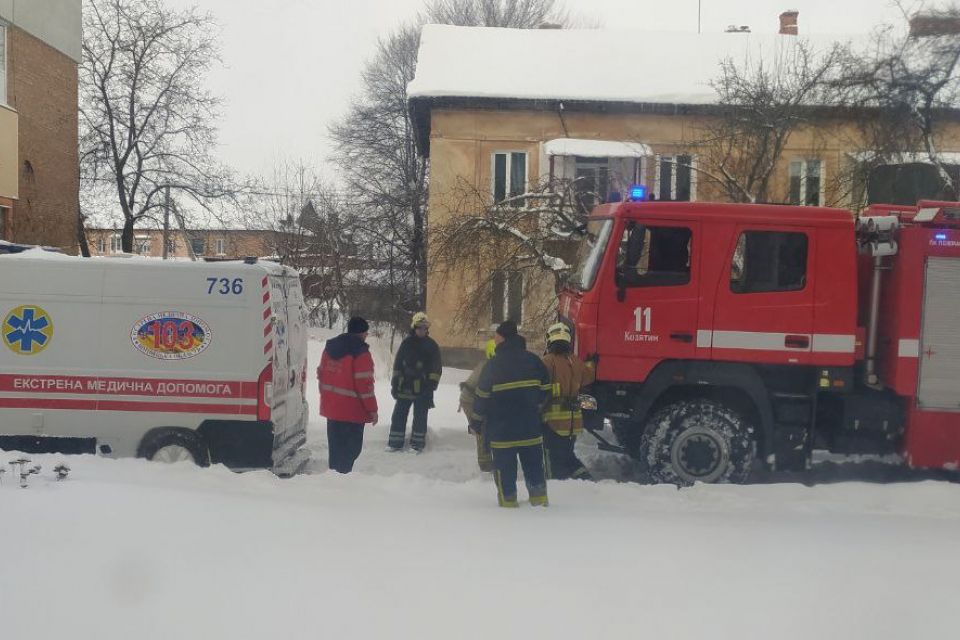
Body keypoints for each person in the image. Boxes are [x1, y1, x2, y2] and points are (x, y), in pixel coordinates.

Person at [475, 321, 551, 508]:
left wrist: (476, 421)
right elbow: (547, 389)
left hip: (502, 432)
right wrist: (536, 407)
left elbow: (481, 396)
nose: (494, 338)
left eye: (496, 335)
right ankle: (539, 503)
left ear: (502, 337)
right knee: (534, 468)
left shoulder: (493, 365)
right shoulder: (534, 360)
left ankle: (508, 506)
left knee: (505, 471)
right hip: (530, 429)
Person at [318, 316, 378, 474]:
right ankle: (342, 482)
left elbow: (321, 374)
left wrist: (327, 398)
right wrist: (372, 410)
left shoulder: (330, 348)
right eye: (366, 333)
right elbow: (365, 386)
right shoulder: (361, 353)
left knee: (335, 451)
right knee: (350, 452)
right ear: (362, 333)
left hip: (332, 410)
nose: (366, 336)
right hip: (352, 413)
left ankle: (334, 479)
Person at [541, 322, 596, 481]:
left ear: (550, 338)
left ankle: (557, 485)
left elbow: (540, 388)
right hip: (573, 423)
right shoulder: (576, 361)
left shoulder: (547, 361)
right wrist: (591, 363)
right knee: (567, 455)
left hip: (553, 424)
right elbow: (588, 377)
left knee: (553, 460)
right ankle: (584, 478)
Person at [388, 312, 442, 452]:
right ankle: (395, 443)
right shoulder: (406, 343)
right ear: (414, 327)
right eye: (419, 327)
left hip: (423, 387)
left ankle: (417, 444)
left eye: (424, 327)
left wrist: (431, 384)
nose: (422, 330)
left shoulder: (431, 345)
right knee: (399, 414)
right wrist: (395, 383)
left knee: (420, 416)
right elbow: (398, 364)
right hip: (404, 385)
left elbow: (436, 367)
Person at [459, 339, 496, 472]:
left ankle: (489, 458)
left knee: (486, 427)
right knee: (481, 429)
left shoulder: (490, 365)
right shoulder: (487, 367)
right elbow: (483, 391)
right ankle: (485, 464)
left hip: (476, 398)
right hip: (470, 401)